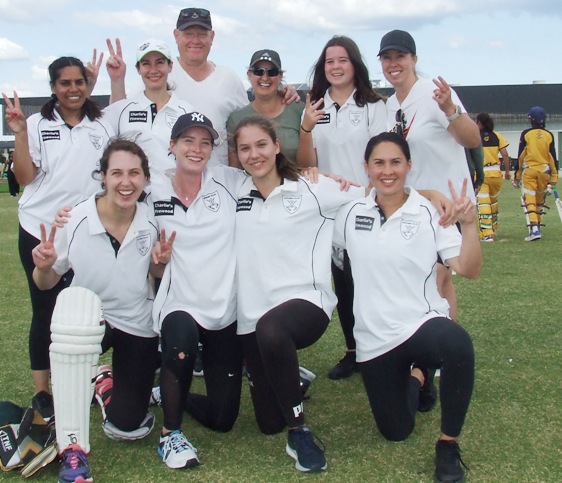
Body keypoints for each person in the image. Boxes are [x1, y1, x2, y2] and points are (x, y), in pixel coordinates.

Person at [333, 132, 481, 483]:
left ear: (409, 166)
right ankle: (419, 376)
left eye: (396, 162)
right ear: (366, 168)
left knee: (457, 344)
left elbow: (468, 269)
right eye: (379, 163)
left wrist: (470, 225)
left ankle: (448, 445)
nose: (388, 171)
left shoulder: (430, 212)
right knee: (396, 430)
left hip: (420, 324)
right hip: (373, 339)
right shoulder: (349, 213)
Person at [233, 115, 367, 473]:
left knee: (273, 329)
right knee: (267, 423)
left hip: (307, 302)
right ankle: (292, 377)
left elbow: (373, 192)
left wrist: (431, 195)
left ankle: (300, 431)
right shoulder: (232, 193)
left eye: (261, 145)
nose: (254, 154)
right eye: (244, 148)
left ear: (277, 146)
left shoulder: (313, 186)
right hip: (251, 315)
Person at [32, 139, 160, 483]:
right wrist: (43, 267)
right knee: (74, 314)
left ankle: (104, 383)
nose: (125, 182)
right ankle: (72, 451)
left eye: (135, 173)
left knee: (129, 425)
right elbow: (45, 283)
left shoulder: (152, 219)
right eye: (116, 173)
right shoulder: (74, 219)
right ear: (102, 177)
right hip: (89, 321)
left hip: (136, 320)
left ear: (146, 179)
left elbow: (158, 275)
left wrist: (160, 266)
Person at [2, 56, 114, 419]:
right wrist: (19, 134)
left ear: (87, 85)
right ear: (53, 88)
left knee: (88, 309)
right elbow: (24, 176)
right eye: (64, 83)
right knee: (44, 311)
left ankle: (86, 377)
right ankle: (42, 392)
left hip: (84, 230)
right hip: (39, 229)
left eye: (78, 82)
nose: (72, 89)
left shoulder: (101, 125)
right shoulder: (36, 124)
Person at [149, 112, 247, 470]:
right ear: (172, 146)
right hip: (179, 303)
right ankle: (170, 434)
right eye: (188, 140)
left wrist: (319, 174)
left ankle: (170, 393)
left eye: (205, 142)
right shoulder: (152, 189)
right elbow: (112, 199)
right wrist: (156, 260)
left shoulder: (231, 181)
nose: (197, 148)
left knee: (223, 419)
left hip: (224, 310)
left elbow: (278, 178)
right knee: (180, 337)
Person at [296, 35, 387, 380]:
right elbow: (308, 164)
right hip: (332, 214)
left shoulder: (374, 105)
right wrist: (306, 126)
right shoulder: (316, 108)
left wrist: (371, 193)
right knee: (344, 285)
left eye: (342, 60)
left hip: (369, 208)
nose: (335, 67)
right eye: (329, 61)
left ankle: (383, 350)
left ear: (355, 65)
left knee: (374, 285)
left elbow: (383, 155)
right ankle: (354, 352)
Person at [379, 29, 480, 322]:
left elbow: (472, 139)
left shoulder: (433, 94)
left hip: (448, 206)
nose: (393, 63)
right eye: (387, 58)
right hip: (414, 204)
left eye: (400, 56)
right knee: (427, 281)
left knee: (437, 278)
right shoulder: (390, 105)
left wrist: (450, 109)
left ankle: (435, 355)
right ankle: (433, 347)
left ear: (414, 59)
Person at [103, 39, 194, 182]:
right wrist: (116, 80)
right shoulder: (123, 109)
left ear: (170, 66)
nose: (153, 70)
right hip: (132, 198)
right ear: (138, 69)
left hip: (174, 198)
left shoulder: (186, 111)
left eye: (159, 62)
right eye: (146, 64)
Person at [227, 49, 304, 166]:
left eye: (272, 72)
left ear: (280, 76)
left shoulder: (299, 110)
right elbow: (235, 170)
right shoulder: (236, 119)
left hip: (297, 182)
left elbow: (312, 161)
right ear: (249, 74)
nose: (265, 77)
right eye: (259, 71)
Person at [513, 106, 558, 241]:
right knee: (539, 201)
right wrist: (553, 179)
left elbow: (521, 156)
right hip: (545, 171)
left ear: (531, 120)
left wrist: (517, 176)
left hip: (530, 171)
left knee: (530, 200)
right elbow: (552, 158)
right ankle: (537, 226)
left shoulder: (526, 134)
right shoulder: (549, 135)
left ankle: (534, 229)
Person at [475, 112, 511, 242]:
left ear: (479, 122)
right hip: (496, 173)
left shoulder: (475, 136)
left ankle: (487, 233)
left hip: (482, 173)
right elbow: (505, 154)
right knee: (493, 202)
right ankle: (493, 228)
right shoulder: (497, 135)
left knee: (483, 202)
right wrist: (507, 171)